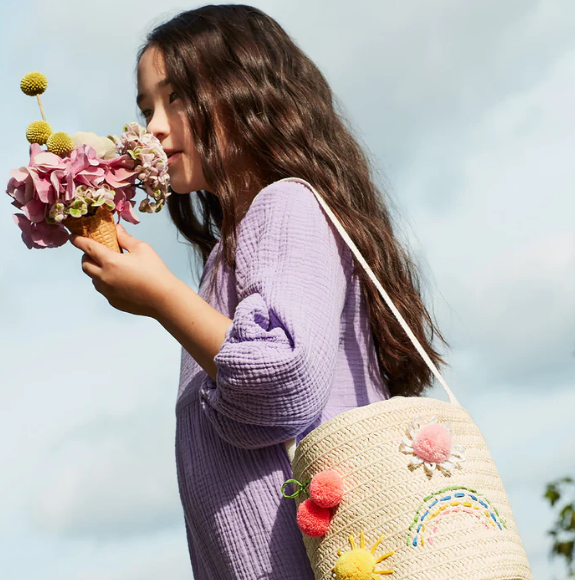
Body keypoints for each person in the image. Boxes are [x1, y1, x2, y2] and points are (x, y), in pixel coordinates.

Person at [73, 4, 451, 579]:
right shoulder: (230, 251)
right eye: (147, 106)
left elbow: (283, 382)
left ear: (245, 92)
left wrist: (162, 299)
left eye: (176, 98)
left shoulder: (283, 206)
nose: (152, 126)